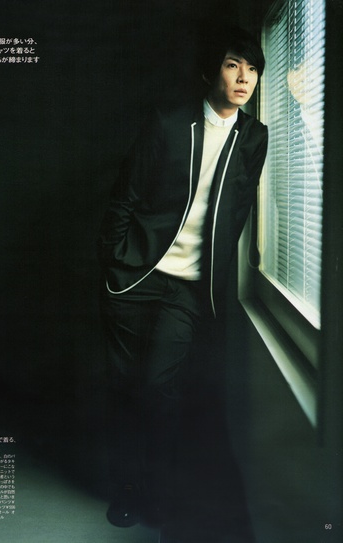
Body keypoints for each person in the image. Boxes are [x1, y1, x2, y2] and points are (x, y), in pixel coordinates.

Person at [97, 26, 268, 542]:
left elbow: (237, 213)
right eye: (233, 64)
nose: (243, 77)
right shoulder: (170, 124)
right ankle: (130, 488)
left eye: (252, 68)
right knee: (127, 388)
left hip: (190, 289)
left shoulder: (253, 137)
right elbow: (125, 197)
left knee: (158, 388)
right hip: (137, 277)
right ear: (210, 71)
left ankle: (156, 487)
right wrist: (115, 263)